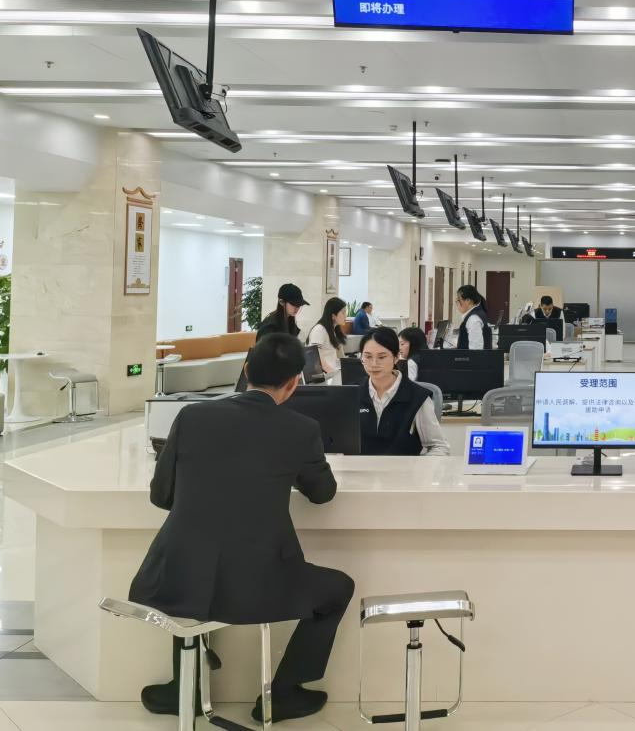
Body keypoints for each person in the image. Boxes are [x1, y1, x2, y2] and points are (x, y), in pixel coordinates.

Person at [130, 334, 353, 723]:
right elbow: (322, 494)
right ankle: (283, 693)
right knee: (338, 589)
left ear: (246, 370)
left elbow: (161, 496)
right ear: (294, 383)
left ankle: (185, 688)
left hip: (175, 575)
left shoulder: (192, 417)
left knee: (195, 564)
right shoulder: (301, 429)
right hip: (258, 586)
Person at [357, 328, 449, 456]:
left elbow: (439, 446)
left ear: (396, 357)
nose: (374, 363)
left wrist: (419, 467)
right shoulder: (351, 393)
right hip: (359, 468)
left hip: (405, 468)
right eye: (367, 356)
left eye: (382, 357)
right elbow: (337, 443)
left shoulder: (418, 397)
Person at [307, 297, 348, 385]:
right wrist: (333, 373)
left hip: (331, 375)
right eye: (343, 312)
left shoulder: (333, 330)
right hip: (322, 378)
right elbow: (314, 355)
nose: (345, 316)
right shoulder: (319, 329)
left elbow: (340, 356)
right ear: (333, 316)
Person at [455, 285, 492, 350]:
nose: (457, 303)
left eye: (458, 300)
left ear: (468, 300)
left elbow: (476, 349)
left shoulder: (473, 319)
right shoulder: (478, 313)